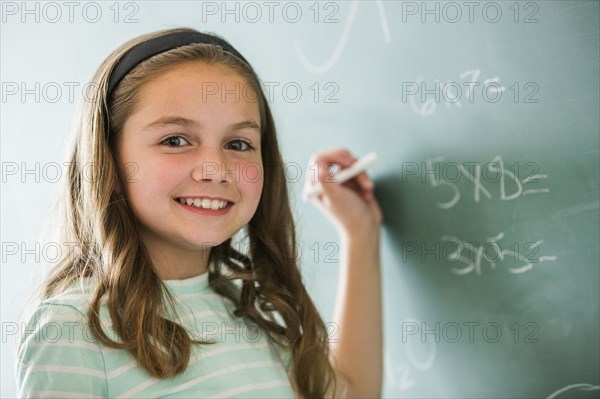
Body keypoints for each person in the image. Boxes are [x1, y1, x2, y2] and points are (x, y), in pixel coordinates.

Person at [15, 27, 383, 398]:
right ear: (108, 165)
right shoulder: (72, 331)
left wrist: (360, 234)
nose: (216, 169)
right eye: (175, 140)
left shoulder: (252, 313)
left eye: (238, 144)